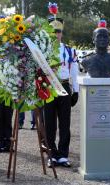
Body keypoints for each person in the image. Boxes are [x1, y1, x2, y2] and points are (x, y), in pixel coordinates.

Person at [43, 16, 79, 168]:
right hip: (49, 87)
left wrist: (75, 91)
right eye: (53, 31)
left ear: (62, 33)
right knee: (49, 123)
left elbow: (75, 72)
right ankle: (52, 154)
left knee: (65, 123)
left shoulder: (70, 50)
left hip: (64, 87)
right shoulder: (43, 50)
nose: (56, 34)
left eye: (58, 31)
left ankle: (63, 154)